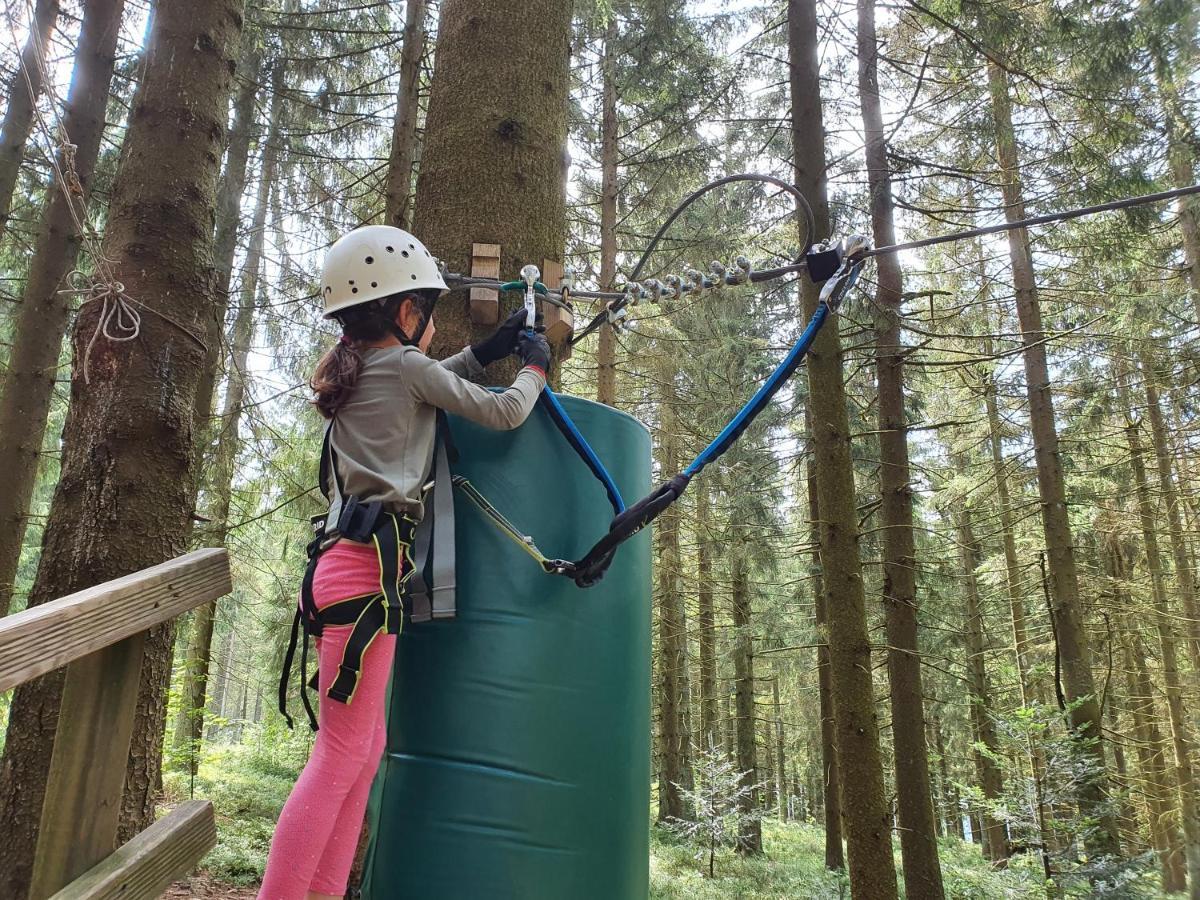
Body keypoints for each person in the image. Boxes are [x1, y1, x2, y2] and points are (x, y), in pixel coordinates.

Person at [259, 225, 550, 900]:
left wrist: (489, 347)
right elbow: (505, 413)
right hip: (366, 574)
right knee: (340, 757)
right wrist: (532, 365)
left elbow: (426, 382)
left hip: (348, 568)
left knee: (360, 754)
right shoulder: (403, 369)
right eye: (426, 308)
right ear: (406, 311)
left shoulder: (362, 369)